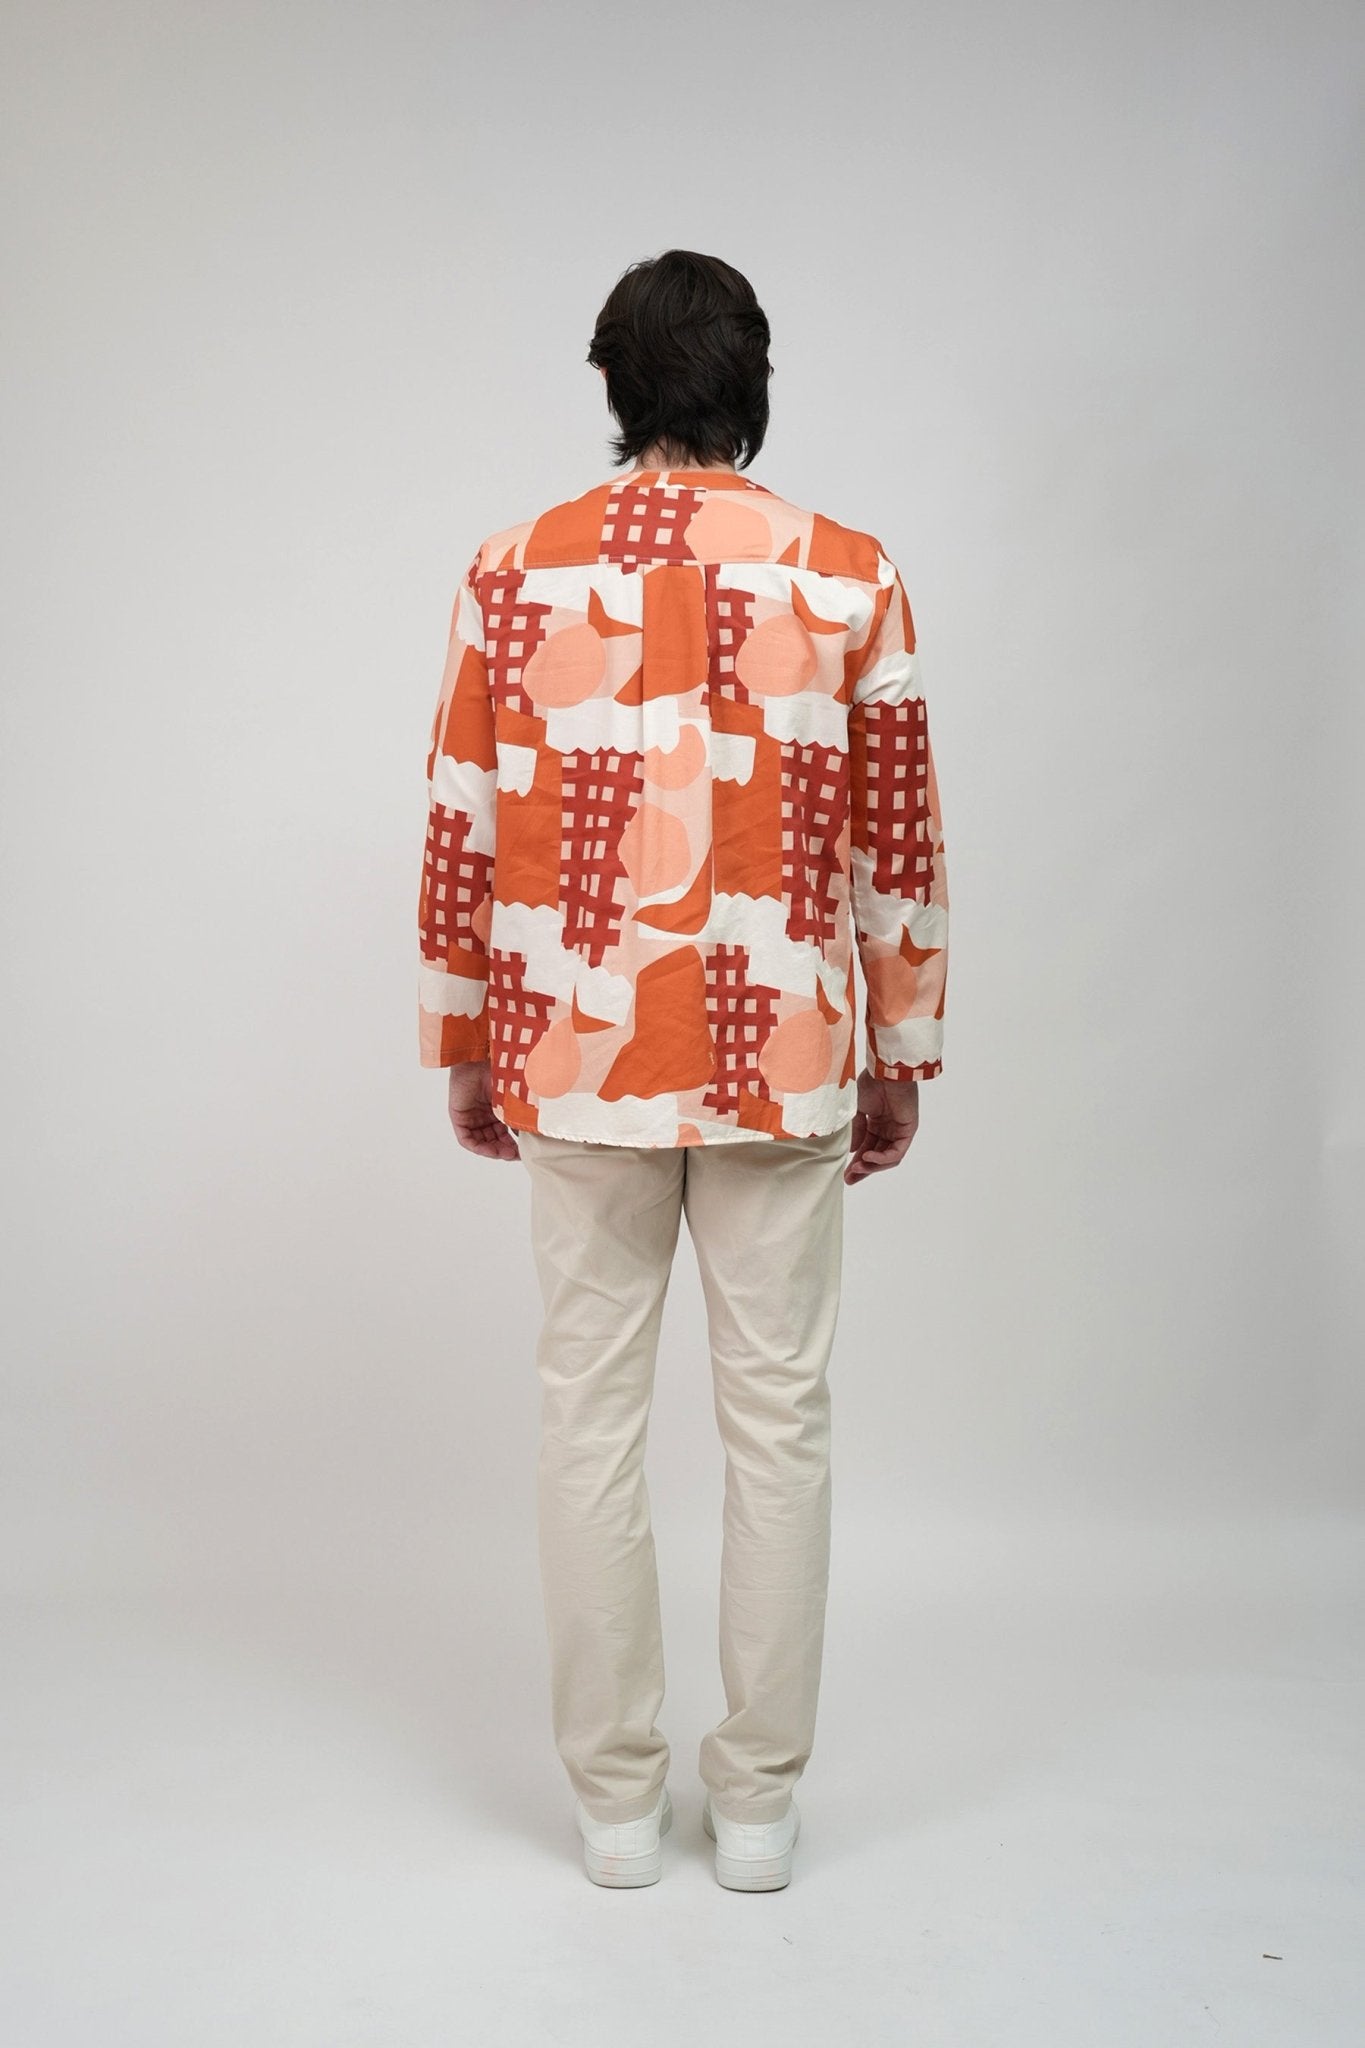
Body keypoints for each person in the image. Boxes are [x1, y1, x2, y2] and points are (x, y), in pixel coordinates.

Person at [417, 249, 949, 1890]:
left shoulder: (512, 569)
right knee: (778, 1422)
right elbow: (896, 839)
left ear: (612, 382)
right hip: (785, 1045)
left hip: (573, 1041)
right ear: (751, 380)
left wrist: (463, 1035)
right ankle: (761, 1809)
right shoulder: (847, 574)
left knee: (586, 1416)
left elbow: (464, 816)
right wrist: (902, 1043)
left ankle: (612, 1807)